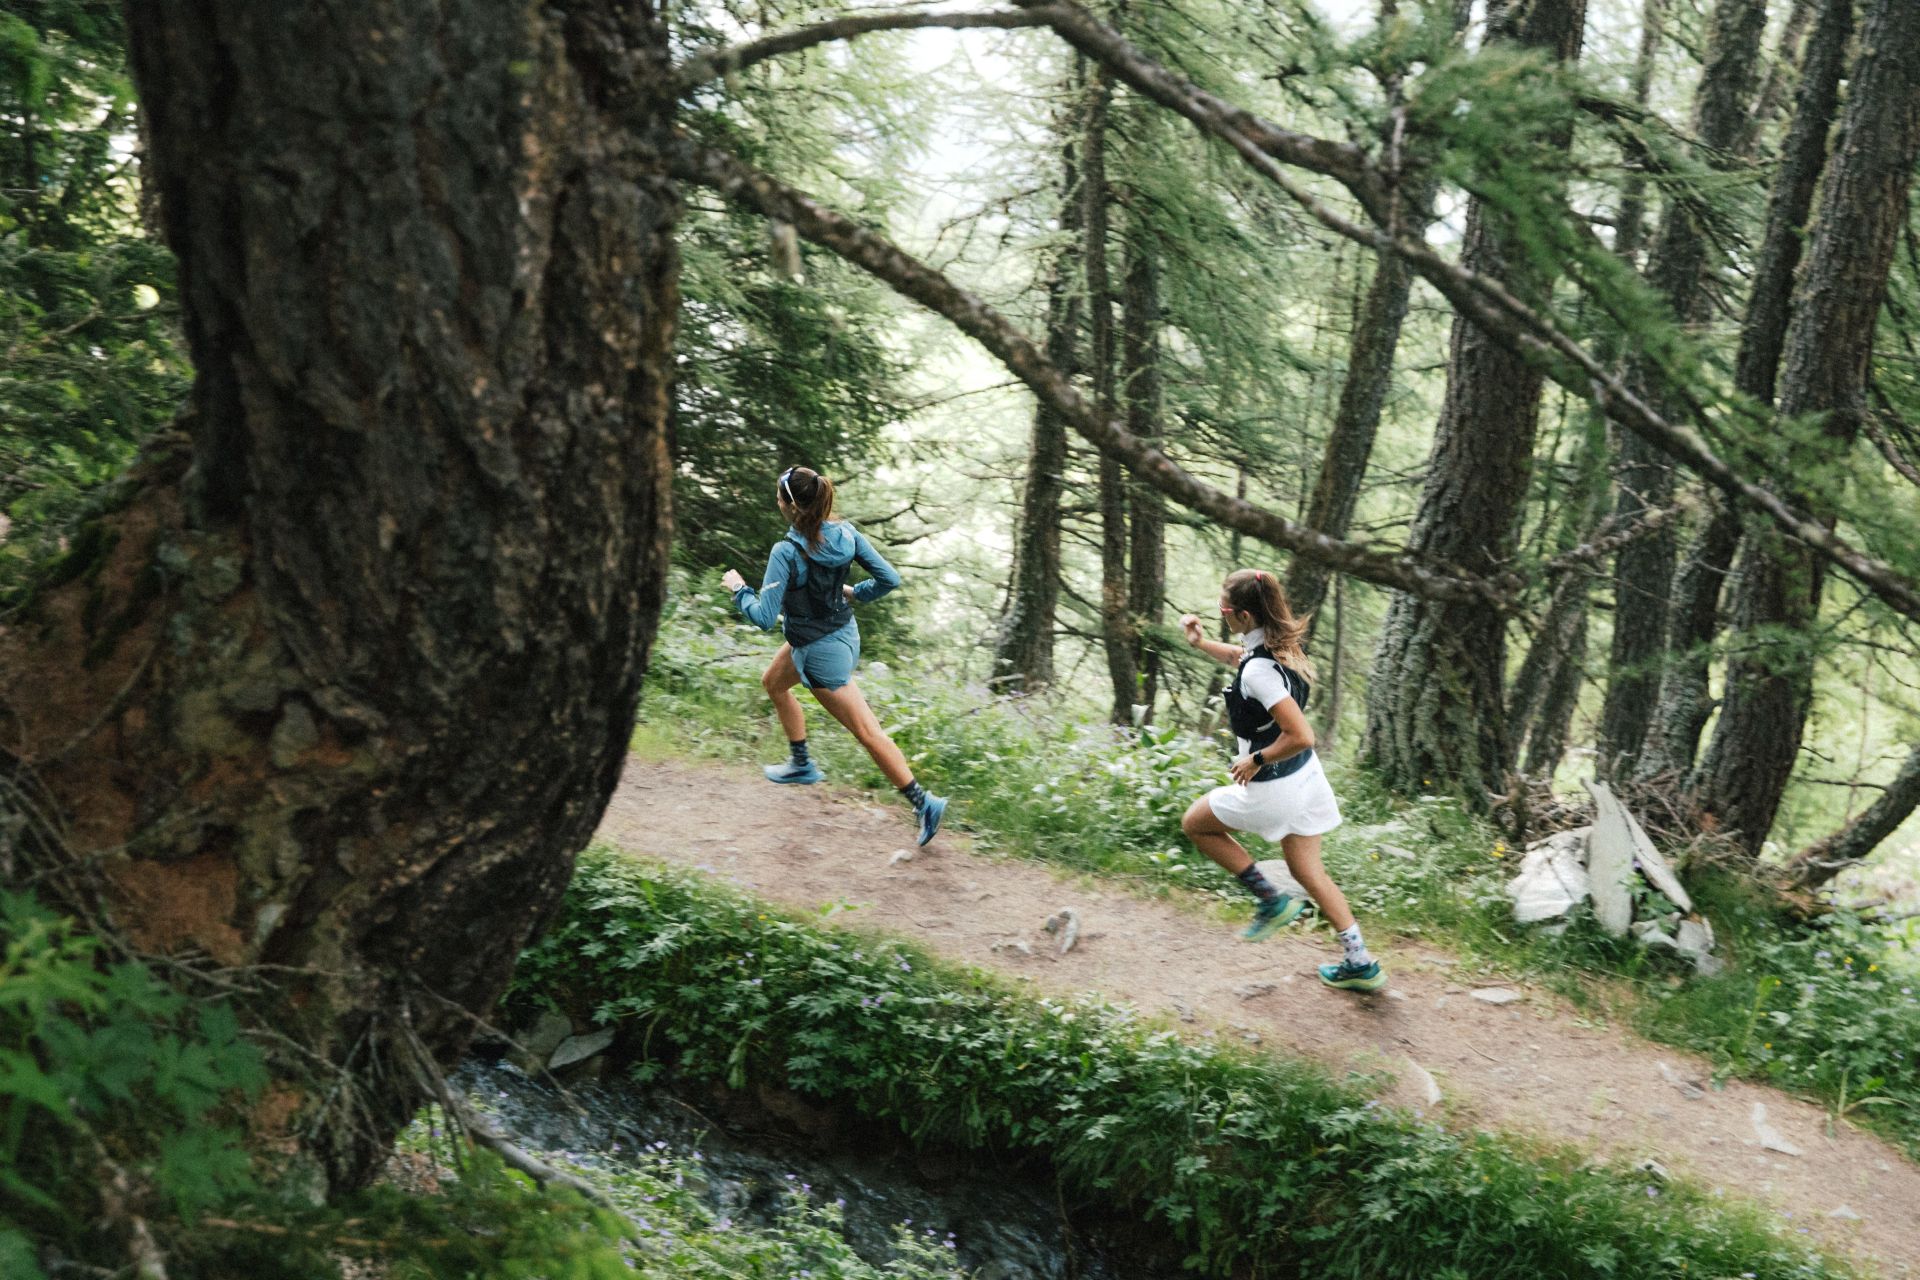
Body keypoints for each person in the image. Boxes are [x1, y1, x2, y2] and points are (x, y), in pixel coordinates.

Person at [1177, 568, 1384, 992]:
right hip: (1306, 778)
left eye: (1225, 610)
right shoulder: (1281, 646)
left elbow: (1300, 733)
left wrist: (1256, 757)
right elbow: (1242, 660)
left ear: (1246, 616)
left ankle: (1270, 900)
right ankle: (1360, 961)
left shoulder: (1259, 671)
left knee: (1195, 824)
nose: (1222, 615)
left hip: (1274, 784)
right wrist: (1200, 644)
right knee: (1309, 871)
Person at [721, 466, 948, 846]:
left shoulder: (786, 551)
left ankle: (924, 802)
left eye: (779, 498)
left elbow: (762, 617)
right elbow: (889, 579)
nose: (776, 503)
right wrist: (856, 593)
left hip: (821, 653)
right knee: (774, 683)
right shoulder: (846, 534)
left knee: (867, 732)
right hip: (840, 633)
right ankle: (801, 763)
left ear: (791, 507)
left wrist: (739, 589)